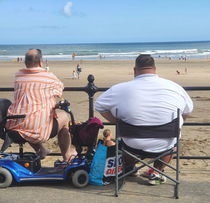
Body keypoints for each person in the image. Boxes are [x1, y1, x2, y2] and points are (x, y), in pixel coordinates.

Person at [95, 54, 193, 185]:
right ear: (155, 69)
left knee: (126, 140)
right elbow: (187, 110)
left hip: (133, 144)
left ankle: (130, 168)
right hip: (164, 144)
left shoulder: (119, 88)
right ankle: (157, 173)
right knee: (173, 140)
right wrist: (177, 124)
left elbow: (99, 105)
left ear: (135, 70)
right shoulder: (175, 87)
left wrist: (116, 121)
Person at [6, 48, 77, 165]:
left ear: (25, 62)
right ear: (40, 62)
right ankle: (66, 155)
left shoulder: (18, 75)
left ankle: (41, 150)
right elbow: (60, 89)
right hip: (37, 129)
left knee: (29, 117)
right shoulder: (47, 76)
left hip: (13, 124)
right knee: (64, 117)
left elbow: (32, 98)